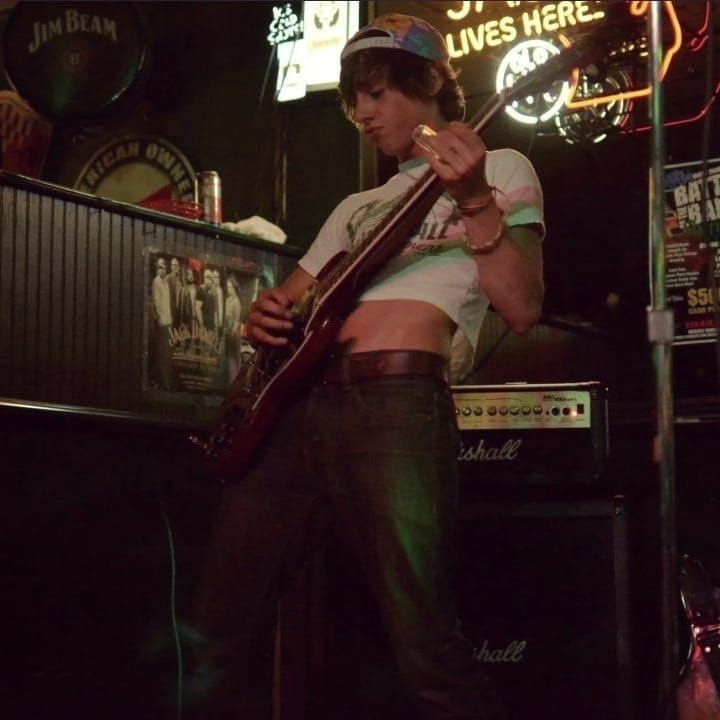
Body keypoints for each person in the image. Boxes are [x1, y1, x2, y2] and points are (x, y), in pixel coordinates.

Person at [193, 13, 544, 720]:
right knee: (218, 628)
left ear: (429, 83)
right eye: (354, 98)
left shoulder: (501, 167)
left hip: (396, 401)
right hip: (296, 411)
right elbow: (285, 304)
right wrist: (260, 319)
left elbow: (523, 306)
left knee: (425, 645)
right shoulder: (355, 206)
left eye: (378, 93)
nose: (361, 113)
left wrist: (474, 198)